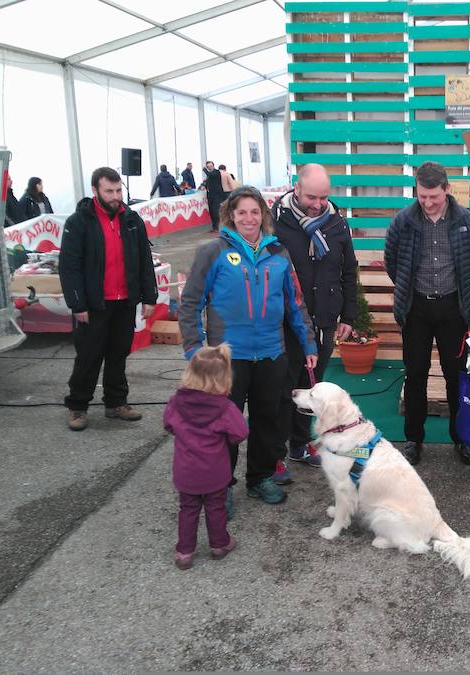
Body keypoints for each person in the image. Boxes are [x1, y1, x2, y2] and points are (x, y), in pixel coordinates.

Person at [179, 186, 318, 508]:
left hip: (271, 353)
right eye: (241, 212)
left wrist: (308, 340)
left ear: (263, 216)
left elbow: (295, 304)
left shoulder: (278, 254)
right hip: (226, 358)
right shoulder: (212, 252)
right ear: (231, 215)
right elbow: (190, 303)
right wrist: (193, 349)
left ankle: (260, 477)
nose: (249, 218)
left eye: (255, 212)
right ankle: (220, 485)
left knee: (268, 422)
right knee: (223, 426)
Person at [384, 161, 470, 467]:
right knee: (416, 375)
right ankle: (414, 439)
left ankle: (461, 438)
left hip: (454, 308)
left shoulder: (466, 220)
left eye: (433, 197)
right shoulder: (403, 221)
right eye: (422, 196)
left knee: (457, 375)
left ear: (447, 190)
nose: (427, 202)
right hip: (416, 309)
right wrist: (408, 290)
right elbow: (391, 261)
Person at [272, 163, 358, 482]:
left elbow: (349, 272)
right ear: (297, 187)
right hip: (285, 324)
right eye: (312, 197)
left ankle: (299, 444)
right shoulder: (276, 223)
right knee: (282, 391)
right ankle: (275, 455)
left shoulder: (337, 224)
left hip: (324, 322)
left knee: (310, 388)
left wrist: (348, 315)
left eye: (324, 197)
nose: (318, 204)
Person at [59, 167, 158, 431]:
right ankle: (77, 406)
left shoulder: (133, 220)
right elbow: (69, 267)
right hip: (93, 305)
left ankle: (116, 402)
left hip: (125, 302)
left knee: (118, 354)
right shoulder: (79, 222)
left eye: (118, 191)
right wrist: (77, 303)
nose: (115, 197)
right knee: (89, 357)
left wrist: (150, 297)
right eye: (109, 191)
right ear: (95, 191)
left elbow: (144, 261)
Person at [164, 344, 248, 570]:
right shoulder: (225, 407)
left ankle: (184, 552)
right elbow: (241, 432)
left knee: (188, 509)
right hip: (215, 471)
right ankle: (220, 544)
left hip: (186, 470)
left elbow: (169, 425)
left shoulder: (176, 402)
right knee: (216, 507)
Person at [202, 161, 225, 232]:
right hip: (210, 194)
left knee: (215, 210)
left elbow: (211, 175)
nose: (209, 168)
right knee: (211, 210)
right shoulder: (209, 175)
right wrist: (204, 185)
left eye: (210, 166)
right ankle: (214, 227)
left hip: (217, 194)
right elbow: (208, 181)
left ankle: (217, 226)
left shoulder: (216, 172)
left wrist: (204, 169)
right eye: (208, 167)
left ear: (213, 166)